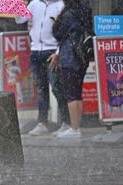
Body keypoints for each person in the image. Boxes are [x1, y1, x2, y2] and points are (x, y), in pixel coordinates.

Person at [15, 0, 70, 136]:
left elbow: (66, 33)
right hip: (35, 51)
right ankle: (42, 123)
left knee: (57, 88)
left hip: (52, 51)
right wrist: (16, 6)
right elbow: (20, 19)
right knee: (41, 89)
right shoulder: (34, 4)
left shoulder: (61, 5)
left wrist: (58, 53)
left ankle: (66, 122)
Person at [51, 0, 91, 138]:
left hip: (69, 58)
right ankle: (77, 127)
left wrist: (55, 22)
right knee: (78, 93)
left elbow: (57, 35)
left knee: (71, 94)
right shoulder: (85, 11)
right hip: (82, 57)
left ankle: (74, 129)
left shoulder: (68, 14)